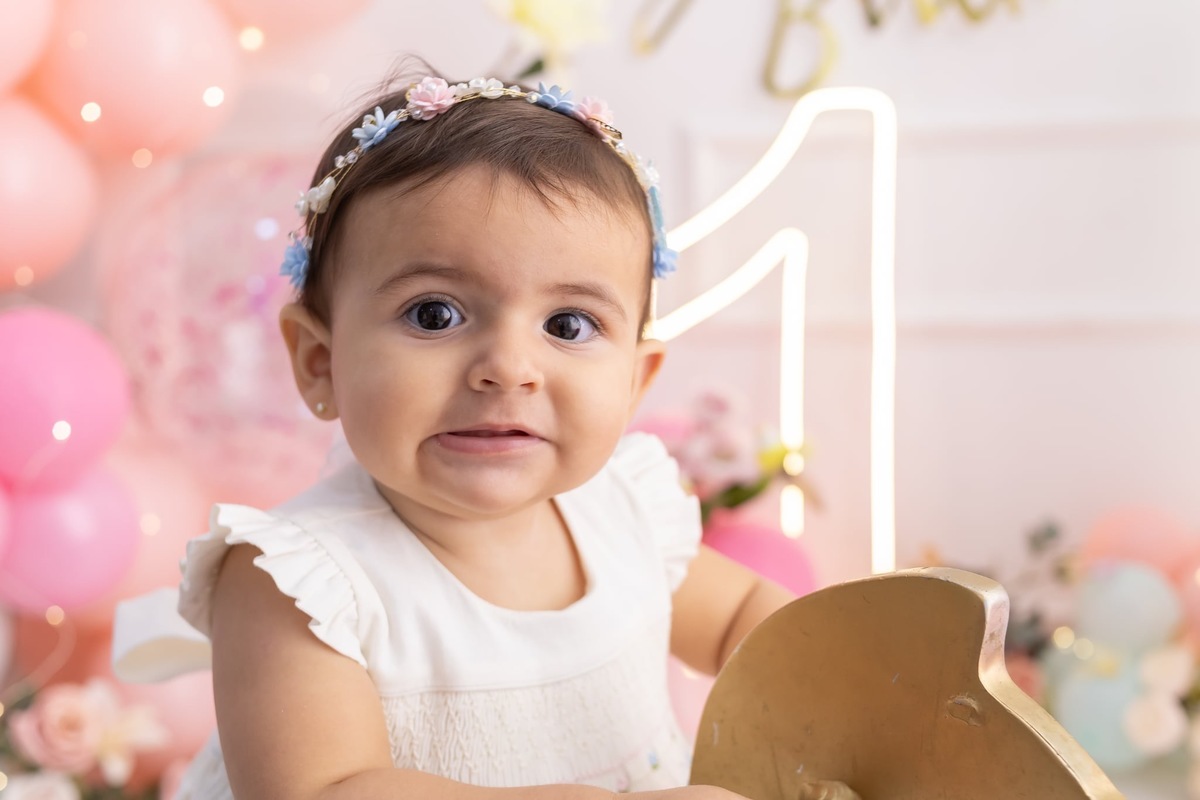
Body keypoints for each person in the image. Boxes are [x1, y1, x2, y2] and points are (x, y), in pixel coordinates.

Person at [118, 69, 800, 800]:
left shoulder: (624, 511)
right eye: (434, 314)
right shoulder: (299, 583)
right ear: (320, 363)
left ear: (636, 380)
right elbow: (327, 789)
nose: (508, 370)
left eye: (568, 325)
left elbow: (743, 623)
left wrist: (865, 666)